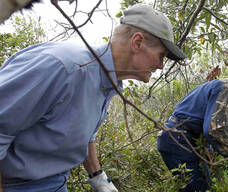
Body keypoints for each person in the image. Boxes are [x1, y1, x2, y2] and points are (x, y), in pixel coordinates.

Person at [0, 4, 186, 192]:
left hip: (55, 182)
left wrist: (98, 178)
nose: (161, 65)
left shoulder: (104, 82)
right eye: (161, 55)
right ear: (137, 42)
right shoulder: (65, 69)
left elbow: (83, 134)